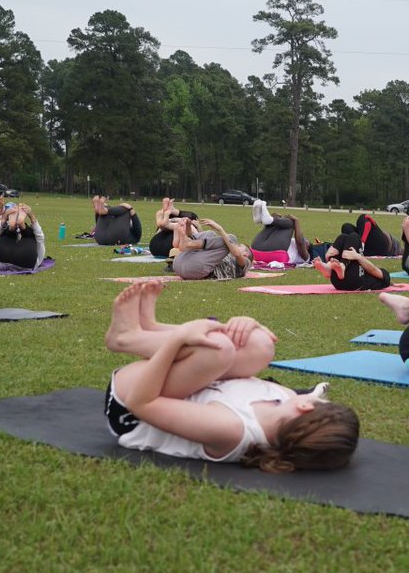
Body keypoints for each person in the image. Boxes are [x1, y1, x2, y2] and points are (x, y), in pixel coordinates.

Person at [103, 280, 359, 472]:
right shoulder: (285, 399)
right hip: (190, 390)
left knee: (218, 350)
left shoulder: (231, 430)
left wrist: (179, 339)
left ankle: (126, 339)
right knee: (261, 345)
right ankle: (151, 329)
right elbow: (236, 370)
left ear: (305, 407)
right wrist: (249, 326)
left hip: (130, 405)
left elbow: (142, 403)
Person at [313, 223, 391, 291]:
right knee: (343, 237)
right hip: (339, 281)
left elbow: (373, 270)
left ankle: (337, 265)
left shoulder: (385, 276)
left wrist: (358, 257)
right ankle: (329, 266)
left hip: (355, 282)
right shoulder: (374, 278)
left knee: (355, 236)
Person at [170, 217, 250, 280]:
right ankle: (188, 238)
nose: (237, 245)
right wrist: (188, 226)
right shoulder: (223, 255)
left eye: (239, 246)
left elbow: (237, 253)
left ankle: (188, 242)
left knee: (231, 239)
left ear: (245, 254)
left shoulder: (245, 264)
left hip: (196, 269)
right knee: (211, 234)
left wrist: (220, 229)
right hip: (179, 263)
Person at [250, 199, 310, 266]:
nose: (306, 241)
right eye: (306, 240)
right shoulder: (290, 241)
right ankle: (263, 219)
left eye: (307, 243)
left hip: (271, 254)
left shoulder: (306, 257)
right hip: (256, 250)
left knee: (291, 223)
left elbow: (299, 241)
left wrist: (296, 221)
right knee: (276, 223)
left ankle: (269, 220)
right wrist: (279, 219)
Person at [0, 203, 47, 271]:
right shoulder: (28, 242)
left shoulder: (6, 239)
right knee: (30, 236)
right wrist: (31, 216)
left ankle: (12, 228)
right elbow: (40, 238)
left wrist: (4, 219)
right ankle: (21, 226)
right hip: (24, 261)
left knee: (6, 235)